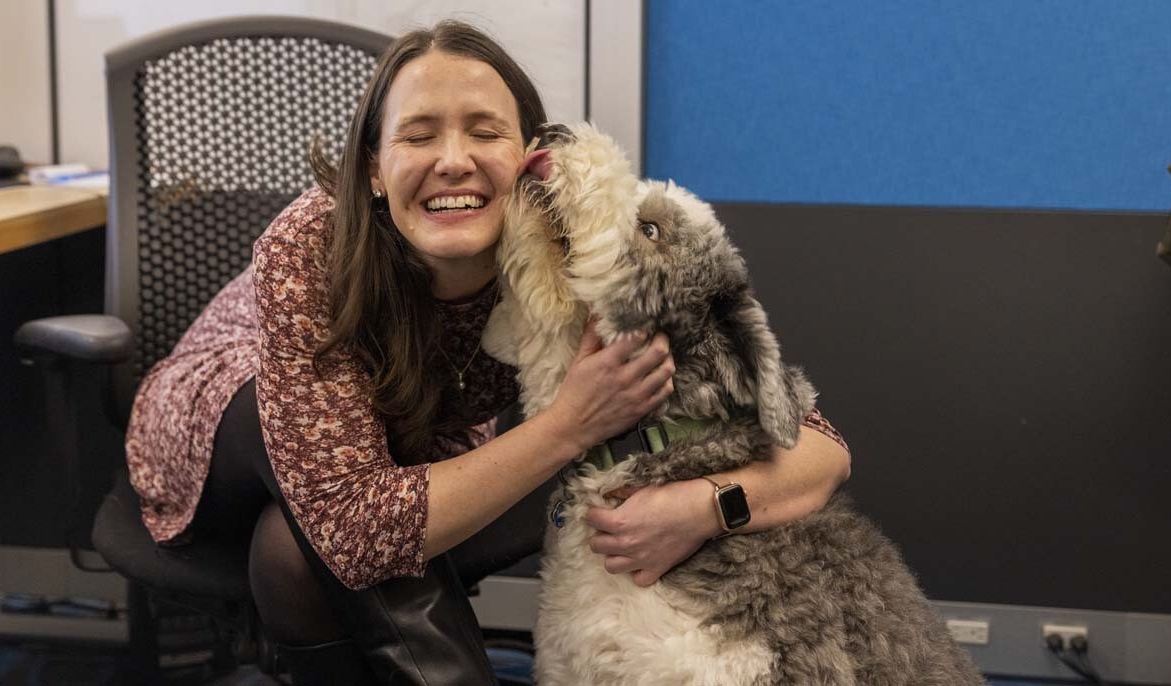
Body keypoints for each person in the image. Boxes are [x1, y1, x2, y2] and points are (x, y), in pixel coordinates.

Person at [124, 19, 851, 686]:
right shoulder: (311, 244)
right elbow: (355, 531)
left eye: (484, 131)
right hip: (224, 429)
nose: (453, 160)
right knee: (303, 490)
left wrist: (706, 505)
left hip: (406, 467)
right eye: (418, 135)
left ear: (528, 156)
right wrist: (571, 422)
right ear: (375, 167)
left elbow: (820, 449)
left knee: (290, 552)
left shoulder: (563, 246)